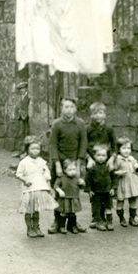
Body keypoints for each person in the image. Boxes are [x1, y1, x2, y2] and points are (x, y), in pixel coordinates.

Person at [47, 97, 88, 234]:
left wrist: (78, 163)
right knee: (59, 193)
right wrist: (57, 164)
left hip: (74, 163)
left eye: (71, 107)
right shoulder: (57, 124)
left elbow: (83, 143)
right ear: (61, 109)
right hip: (60, 162)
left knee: (73, 192)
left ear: (75, 109)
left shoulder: (80, 124)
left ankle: (72, 222)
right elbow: (53, 144)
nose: (69, 110)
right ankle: (57, 222)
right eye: (66, 107)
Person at [15, 136, 58, 238]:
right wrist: (25, 180)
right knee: (29, 210)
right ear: (27, 149)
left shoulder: (42, 161)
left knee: (36, 210)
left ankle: (37, 227)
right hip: (29, 189)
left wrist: (48, 185)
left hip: (39, 188)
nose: (35, 151)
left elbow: (46, 174)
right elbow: (18, 174)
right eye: (33, 149)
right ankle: (29, 228)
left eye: (37, 149)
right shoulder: (24, 162)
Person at [84, 101, 116, 228]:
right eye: (95, 113)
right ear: (91, 115)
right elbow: (84, 146)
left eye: (101, 112)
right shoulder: (87, 129)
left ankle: (103, 218)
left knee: (105, 187)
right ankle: (96, 217)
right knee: (94, 190)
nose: (98, 116)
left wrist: (112, 159)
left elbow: (114, 146)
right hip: (93, 160)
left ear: (105, 114)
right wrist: (89, 159)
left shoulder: (109, 129)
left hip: (105, 160)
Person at [85, 144, 115, 231]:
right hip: (96, 192)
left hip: (107, 191)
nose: (101, 157)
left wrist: (113, 188)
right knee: (96, 207)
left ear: (107, 156)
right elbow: (88, 179)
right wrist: (89, 190)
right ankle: (99, 222)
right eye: (98, 155)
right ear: (94, 156)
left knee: (108, 206)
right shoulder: (92, 167)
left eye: (103, 155)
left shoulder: (108, 166)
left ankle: (109, 221)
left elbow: (113, 178)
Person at [112, 137, 138, 227]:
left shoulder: (131, 158)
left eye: (128, 148)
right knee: (120, 201)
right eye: (124, 148)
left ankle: (132, 218)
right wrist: (118, 173)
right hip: (121, 182)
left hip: (131, 182)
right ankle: (121, 218)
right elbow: (113, 171)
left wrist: (137, 166)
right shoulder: (117, 159)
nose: (126, 151)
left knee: (133, 199)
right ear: (119, 149)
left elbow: (136, 168)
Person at [54, 160, 86, 234]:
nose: (72, 172)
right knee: (64, 213)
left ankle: (72, 226)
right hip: (64, 198)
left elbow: (82, 187)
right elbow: (55, 185)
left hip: (74, 198)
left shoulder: (77, 177)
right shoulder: (61, 177)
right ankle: (62, 226)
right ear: (65, 170)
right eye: (70, 170)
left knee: (72, 213)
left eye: (74, 169)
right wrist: (59, 191)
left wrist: (82, 183)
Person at [13, 81, 31, 157]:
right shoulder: (21, 97)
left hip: (26, 118)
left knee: (27, 133)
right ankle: (22, 151)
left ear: (26, 89)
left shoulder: (28, 97)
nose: (21, 90)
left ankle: (26, 151)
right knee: (21, 134)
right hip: (21, 118)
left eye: (23, 88)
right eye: (20, 89)